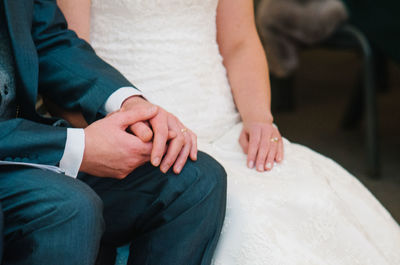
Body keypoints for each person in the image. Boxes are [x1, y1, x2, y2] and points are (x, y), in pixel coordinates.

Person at [58, 0, 400, 264]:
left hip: (224, 121)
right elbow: (67, 60)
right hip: (135, 128)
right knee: (248, 214)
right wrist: (115, 133)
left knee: (313, 200)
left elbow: (239, 42)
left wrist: (259, 119)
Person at [0, 0, 227, 265]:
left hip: (27, 142)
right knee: (70, 207)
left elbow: (49, 41)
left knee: (196, 179)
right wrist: (77, 147)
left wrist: (130, 105)